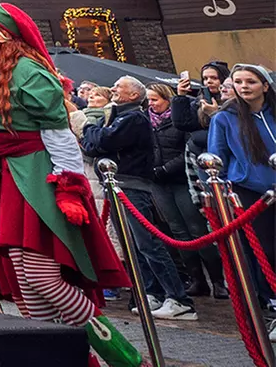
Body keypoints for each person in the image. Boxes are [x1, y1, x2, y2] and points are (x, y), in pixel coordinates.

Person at [0, 3, 132, 365]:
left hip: (38, 173)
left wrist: (69, 185)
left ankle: (126, 359)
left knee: (43, 277)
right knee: (26, 281)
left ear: (1, 34)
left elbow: (57, 133)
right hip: (10, 174)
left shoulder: (28, 72)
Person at [83, 76, 195, 319]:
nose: (113, 88)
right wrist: (96, 136)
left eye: (118, 86)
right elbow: (92, 147)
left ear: (133, 95)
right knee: (132, 243)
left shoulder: (132, 117)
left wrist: (89, 128)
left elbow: (103, 141)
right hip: (116, 183)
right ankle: (151, 291)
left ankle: (178, 298)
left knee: (147, 242)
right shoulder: (118, 116)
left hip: (131, 184)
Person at [206, 63, 276, 309]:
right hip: (251, 191)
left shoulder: (272, 113)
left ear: (265, 86)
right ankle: (272, 301)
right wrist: (221, 191)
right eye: (239, 82)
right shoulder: (225, 118)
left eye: (251, 82)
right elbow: (217, 157)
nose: (244, 87)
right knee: (265, 250)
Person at [170, 72, 230, 297]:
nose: (208, 82)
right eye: (205, 77)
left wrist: (217, 115)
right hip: (200, 177)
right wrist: (181, 97)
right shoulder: (199, 102)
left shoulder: (233, 110)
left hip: (230, 180)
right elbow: (184, 123)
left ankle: (222, 282)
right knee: (201, 230)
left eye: (213, 77)